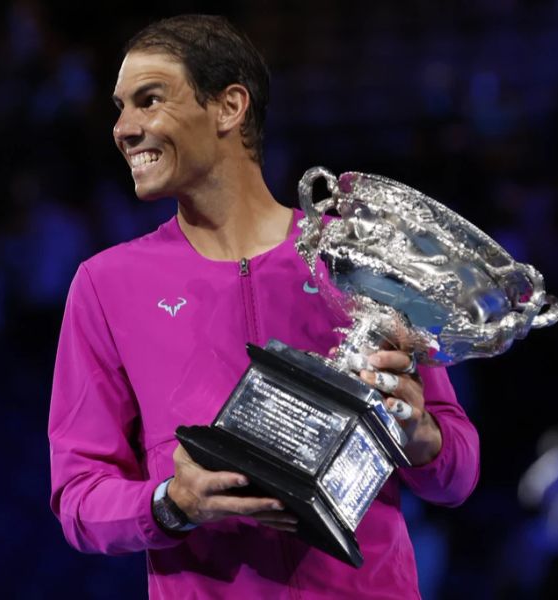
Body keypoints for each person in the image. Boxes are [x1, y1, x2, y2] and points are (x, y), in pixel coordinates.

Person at [48, 14, 479, 599]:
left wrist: (421, 435)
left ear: (229, 107)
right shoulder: (105, 285)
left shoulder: (356, 260)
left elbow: (457, 472)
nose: (124, 128)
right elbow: (79, 497)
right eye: (120, 108)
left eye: (149, 101)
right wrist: (172, 504)